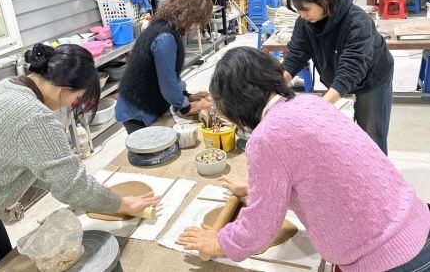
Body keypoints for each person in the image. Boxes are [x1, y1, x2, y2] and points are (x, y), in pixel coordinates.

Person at [178, 47, 430, 272]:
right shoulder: (310, 103)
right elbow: (319, 171)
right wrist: (256, 188)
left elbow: (259, 227)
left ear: (236, 105)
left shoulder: (266, 138)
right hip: (416, 220)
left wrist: (218, 243)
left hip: (388, 255)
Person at [0, 43, 160, 272]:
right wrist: (121, 204)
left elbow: (40, 168)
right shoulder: (34, 116)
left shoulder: (4, 87)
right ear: (64, 89)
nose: (72, 104)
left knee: (4, 265)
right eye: (77, 98)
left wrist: (82, 188)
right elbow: (71, 186)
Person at [282, 0, 394, 155]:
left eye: (306, 9)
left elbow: (352, 68)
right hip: (338, 78)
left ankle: (379, 181)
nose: (302, 15)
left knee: (372, 138)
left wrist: (320, 107)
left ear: (323, 1)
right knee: (341, 141)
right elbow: (296, 56)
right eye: (298, 10)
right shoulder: (305, 22)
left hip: (372, 80)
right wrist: (275, 85)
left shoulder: (356, 21)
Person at [116, 0, 213, 134]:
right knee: (152, 152)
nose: (195, 27)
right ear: (190, 16)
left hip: (143, 101)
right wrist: (186, 106)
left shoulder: (162, 26)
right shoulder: (165, 38)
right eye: (197, 22)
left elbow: (168, 75)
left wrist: (187, 96)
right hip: (138, 109)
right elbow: (167, 83)